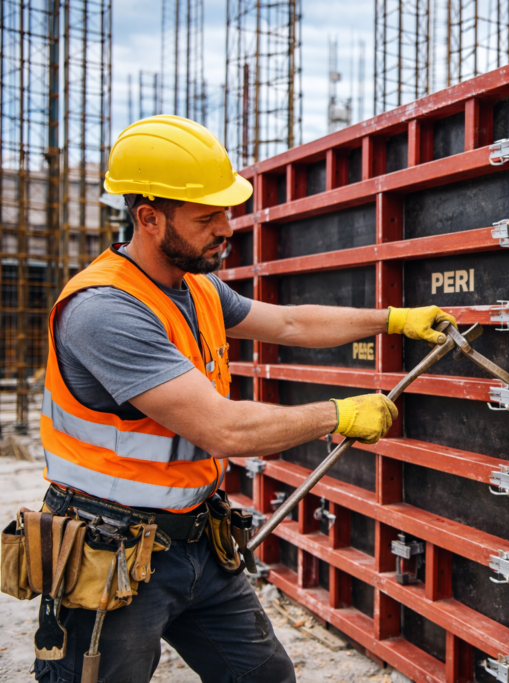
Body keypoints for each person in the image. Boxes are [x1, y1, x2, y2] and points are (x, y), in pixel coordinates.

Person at [35, 115, 456, 682]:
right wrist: (339, 414)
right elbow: (222, 430)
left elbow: (289, 323)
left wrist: (394, 319)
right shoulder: (105, 310)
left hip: (194, 539)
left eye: (227, 212)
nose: (226, 228)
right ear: (149, 218)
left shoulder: (198, 288)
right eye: (207, 216)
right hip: (109, 551)